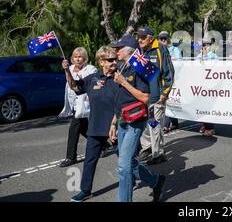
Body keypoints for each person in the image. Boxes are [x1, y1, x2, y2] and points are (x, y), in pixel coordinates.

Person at [109, 34, 166, 202]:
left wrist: (123, 82)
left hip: (135, 121)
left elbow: (146, 98)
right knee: (129, 163)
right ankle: (156, 181)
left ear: (128, 51)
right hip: (121, 120)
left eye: (119, 48)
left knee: (123, 166)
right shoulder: (122, 67)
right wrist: (113, 122)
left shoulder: (138, 68)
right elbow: (120, 99)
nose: (116, 51)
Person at [63, 46, 118, 202]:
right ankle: (85, 190)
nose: (114, 62)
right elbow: (75, 87)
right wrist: (67, 71)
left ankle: (152, 180)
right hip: (95, 126)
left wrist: (114, 123)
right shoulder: (93, 78)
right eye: (110, 60)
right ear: (101, 61)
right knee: (89, 160)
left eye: (115, 59)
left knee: (128, 162)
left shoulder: (120, 78)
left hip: (115, 127)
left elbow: (122, 104)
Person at [136, 27, 174, 165]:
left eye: (143, 37)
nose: (140, 39)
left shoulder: (161, 49)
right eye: (138, 37)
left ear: (151, 38)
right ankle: (147, 148)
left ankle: (158, 154)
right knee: (146, 124)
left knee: (154, 124)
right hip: (142, 96)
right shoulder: (140, 50)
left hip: (156, 97)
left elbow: (169, 72)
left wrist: (165, 93)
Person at [59, 47, 97, 167]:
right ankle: (104, 144)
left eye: (80, 57)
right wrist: (66, 70)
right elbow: (70, 84)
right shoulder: (70, 68)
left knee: (74, 129)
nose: (78, 59)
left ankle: (71, 157)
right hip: (74, 103)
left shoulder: (91, 69)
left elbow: (91, 84)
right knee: (82, 128)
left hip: (85, 102)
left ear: (85, 58)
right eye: (75, 57)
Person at [196, 37, 218, 137]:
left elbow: (217, 68)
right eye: (203, 45)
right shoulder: (198, 56)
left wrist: (206, 58)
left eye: (206, 45)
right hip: (201, 84)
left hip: (210, 84)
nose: (204, 47)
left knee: (209, 106)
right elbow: (194, 66)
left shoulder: (214, 56)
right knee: (201, 105)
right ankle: (204, 125)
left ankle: (210, 128)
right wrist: (202, 58)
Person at [158, 31, 180, 133]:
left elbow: (178, 64)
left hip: (171, 81)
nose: (162, 41)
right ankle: (171, 123)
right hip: (159, 83)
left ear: (168, 40)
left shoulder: (175, 50)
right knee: (168, 104)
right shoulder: (156, 50)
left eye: (164, 39)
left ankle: (166, 125)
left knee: (169, 102)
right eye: (160, 39)